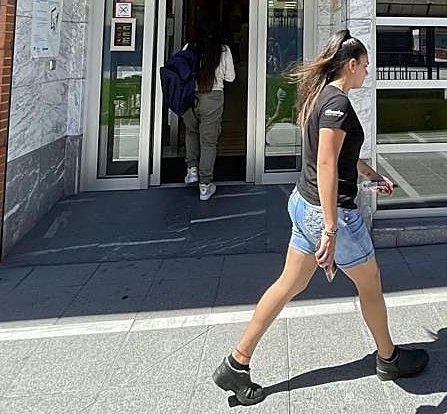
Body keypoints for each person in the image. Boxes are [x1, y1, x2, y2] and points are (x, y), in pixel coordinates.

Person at [212, 30, 429, 406]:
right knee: (370, 283)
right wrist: (330, 228)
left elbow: (339, 155)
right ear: (351, 65)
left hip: (303, 202)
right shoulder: (338, 104)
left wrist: (371, 175)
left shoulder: (321, 96)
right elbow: (326, 163)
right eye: (364, 64)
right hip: (329, 214)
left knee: (288, 285)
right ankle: (389, 359)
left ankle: (236, 363)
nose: (367, 71)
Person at [182, 20, 235, 201]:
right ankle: (204, 185)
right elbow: (231, 77)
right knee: (209, 142)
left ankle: (192, 170)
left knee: (191, 131)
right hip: (213, 96)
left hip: (189, 96)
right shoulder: (223, 50)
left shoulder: (190, 46)